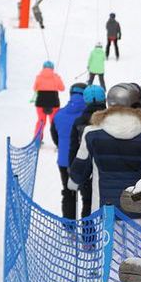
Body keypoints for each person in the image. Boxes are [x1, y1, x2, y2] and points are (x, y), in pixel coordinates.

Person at [68, 83, 141, 229]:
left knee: (108, 252)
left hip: (103, 210)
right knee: (136, 252)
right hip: (138, 211)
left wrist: (74, 182)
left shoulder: (92, 133)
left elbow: (79, 172)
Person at [49, 83, 89, 219]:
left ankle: (69, 224)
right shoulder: (90, 115)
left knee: (68, 192)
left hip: (64, 160)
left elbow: (54, 135)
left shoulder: (59, 114)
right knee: (86, 196)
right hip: (84, 161)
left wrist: (62, 147)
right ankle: (87, 228)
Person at [68, 85, 106, 220]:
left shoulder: (79, 122)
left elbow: (73, 148)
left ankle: (88, 238)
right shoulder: (109, 119)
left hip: (85, 169)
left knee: (87, 202)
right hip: (107, 168)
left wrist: (72, 169)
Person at [32, 61, 65, 141]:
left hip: (40, 102)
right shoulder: (56, 77)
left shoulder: (39, 77)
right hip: (54, 103)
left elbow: (34, 88)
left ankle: (37, 140)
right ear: (52, 68)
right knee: (54, 122)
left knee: (41, 121)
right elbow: (62, 88)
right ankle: (58, 140)